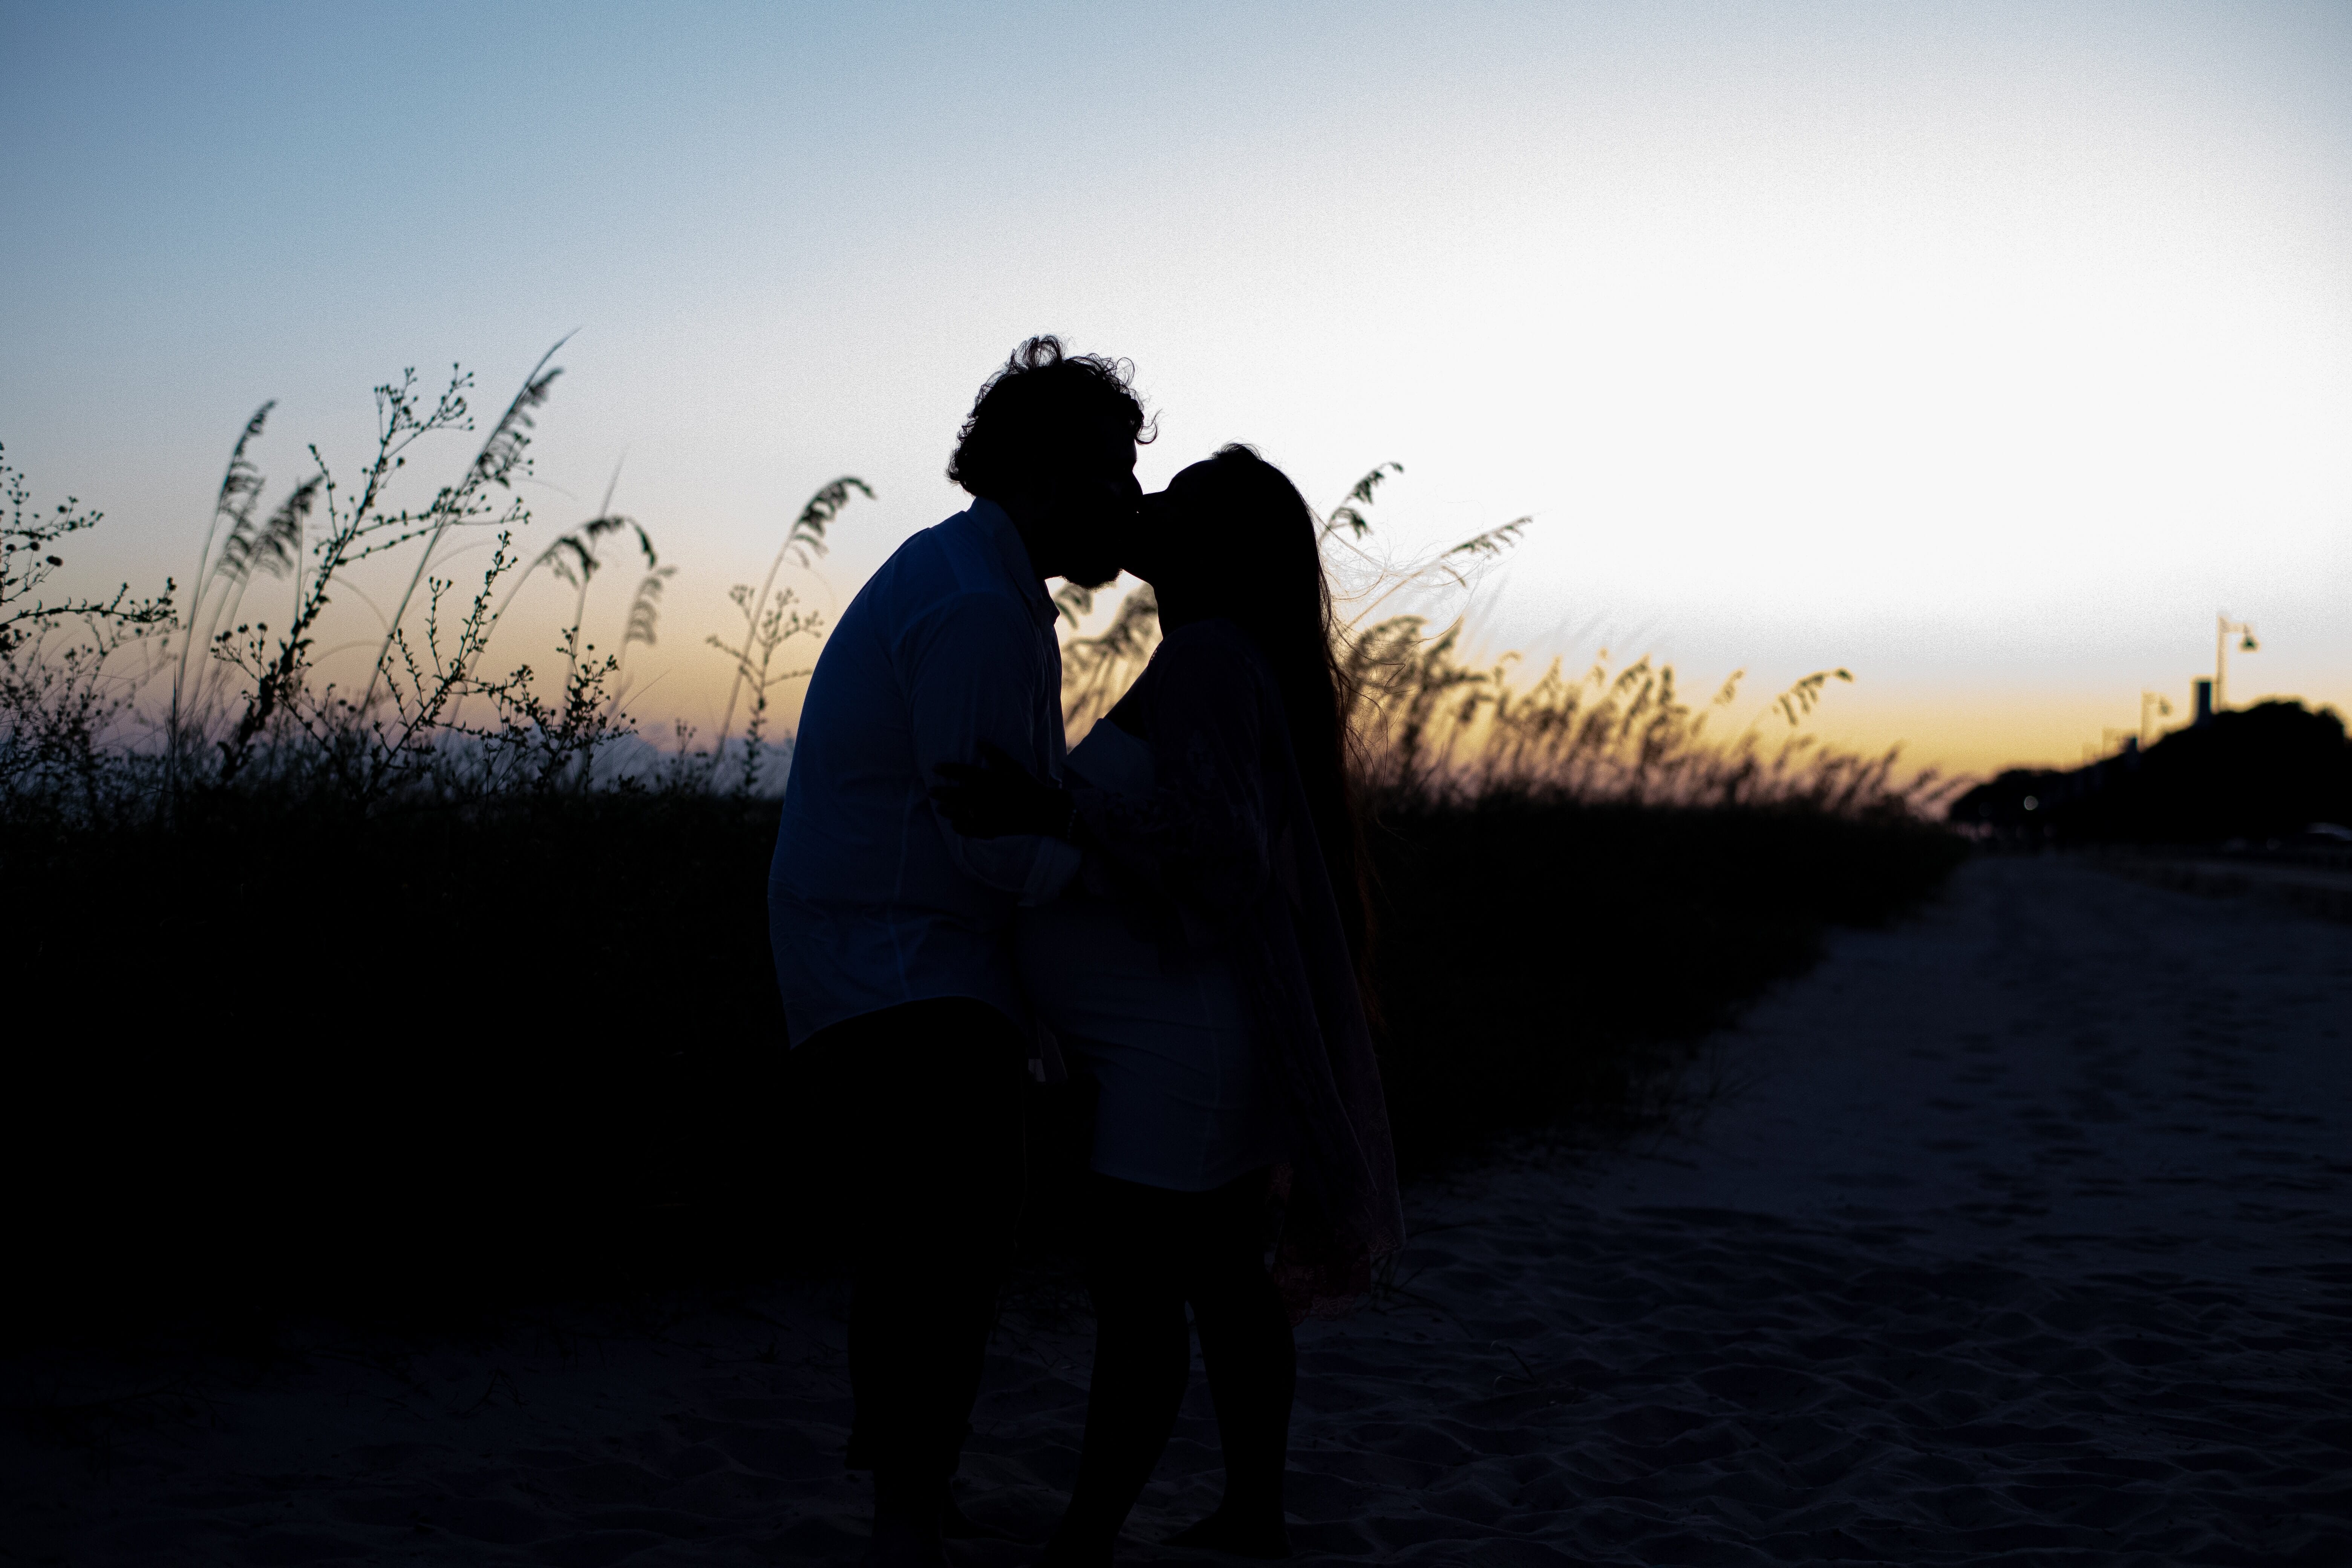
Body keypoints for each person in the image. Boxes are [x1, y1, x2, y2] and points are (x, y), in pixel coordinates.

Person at [931, 444, 1406, 1565]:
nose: (1144, 506)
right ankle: (1251, 1519)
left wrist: (1052, 809)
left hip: (1177, 1059)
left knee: (1144, 1302)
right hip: (1197, 1044)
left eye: (1177, 501)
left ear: (1214, 549)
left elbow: (1220, 847)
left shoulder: (1202, 658)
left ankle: (1087, 1540)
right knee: (1218, 1287)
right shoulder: (1231, 659)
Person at [767, 337, 1147, 1568]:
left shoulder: (967, 578)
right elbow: (989, 843)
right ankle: (907, 1509)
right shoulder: (981, 609)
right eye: (1112, 472)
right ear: (1040, 473)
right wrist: (1110, 862)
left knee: (933, 1241)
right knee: (952, 1238)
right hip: (903, 966)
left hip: (891, 959)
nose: (1131, 503)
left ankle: (913, 1488)